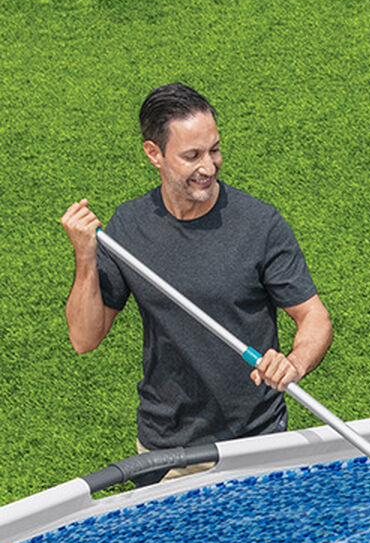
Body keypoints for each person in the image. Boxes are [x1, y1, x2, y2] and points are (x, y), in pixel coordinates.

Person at [60, 83, 332, 465]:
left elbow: (314, 316)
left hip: (256, 441)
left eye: (214, 150)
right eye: (192, 156)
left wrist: (295, 362)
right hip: (167, 448)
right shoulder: (129, 228)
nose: (208, 167)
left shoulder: (259, 224)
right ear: (154, 154)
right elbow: (84, 338)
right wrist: (85, 256)